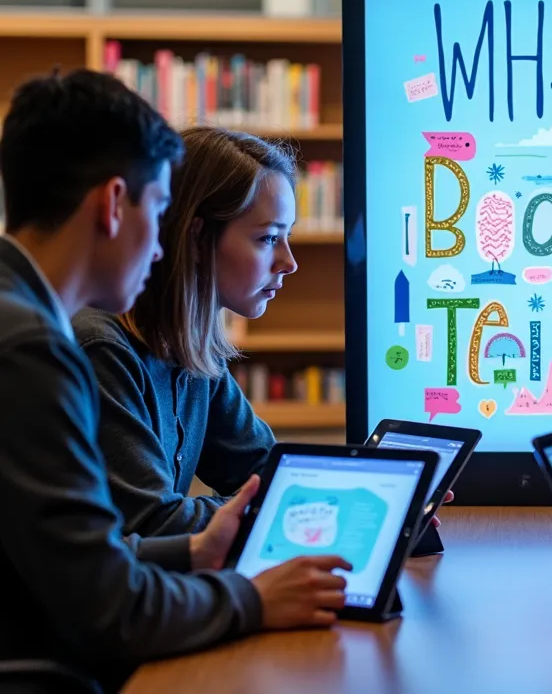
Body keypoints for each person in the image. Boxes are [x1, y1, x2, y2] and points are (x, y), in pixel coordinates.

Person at [0, 70, 349, 692]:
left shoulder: (26, 319)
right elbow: (109, 603)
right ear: (113, 205)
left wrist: (195, 553)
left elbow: (85, 560)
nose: (159, 248)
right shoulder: (38, 348)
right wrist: (251, 599)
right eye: (158, 211)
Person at [72, 126, 298, 537]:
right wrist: (283, 507)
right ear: (196, 237)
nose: (289, 262)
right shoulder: (101, 348)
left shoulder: (190, 350)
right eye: (268, 238)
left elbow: (268, 471)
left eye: (288, 237)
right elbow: (154, 523)